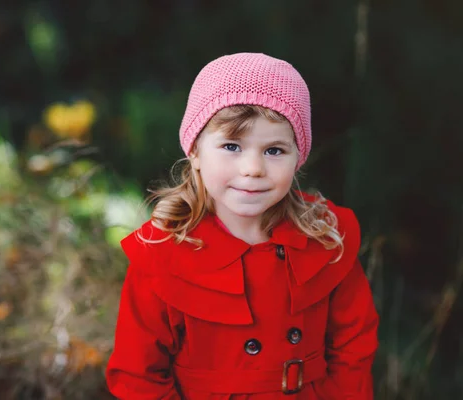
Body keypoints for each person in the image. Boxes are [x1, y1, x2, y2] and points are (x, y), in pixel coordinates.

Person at [105, 52, 379, 399]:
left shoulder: (325, 239)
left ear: (299, 157)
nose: (253, 168)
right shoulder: (163, 254)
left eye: (275, 150)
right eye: (231, 146)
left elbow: (353, 346)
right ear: (196, 153)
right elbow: (138, 375)